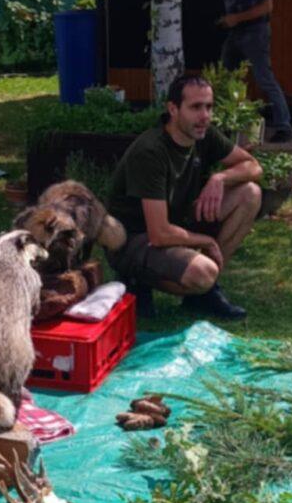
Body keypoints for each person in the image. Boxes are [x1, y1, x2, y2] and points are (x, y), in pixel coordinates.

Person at [104, 70, 262, 320]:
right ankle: (136, 279)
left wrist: (220, 178)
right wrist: (206, 242)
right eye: (196, 107)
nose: (205, 116)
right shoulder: (151, 151)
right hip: (134, 239)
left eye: (209, 107)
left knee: (250, 193)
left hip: (176, 221)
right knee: (202, 273)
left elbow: (254, 167)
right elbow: (159, 233)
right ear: (173, 109)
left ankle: (202, 294)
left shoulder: (203, 134)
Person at [215, 0, 292, 142]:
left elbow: (267, 6)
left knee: (263, 77)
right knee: (226, 75)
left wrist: (235, 18)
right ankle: (228, 121)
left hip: (254, 31)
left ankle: (283, 125)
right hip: (236, 32)